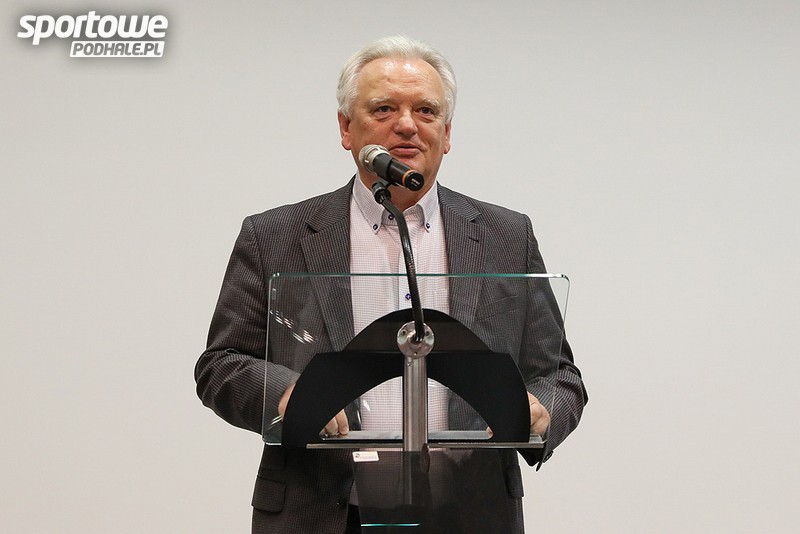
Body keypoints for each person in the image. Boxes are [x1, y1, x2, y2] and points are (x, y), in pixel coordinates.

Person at [195, 35, 587, 534]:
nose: (406, 125)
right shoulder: (274, 236)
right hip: (322, 512)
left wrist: (541, 408)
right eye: (384, 108)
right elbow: (221, 364)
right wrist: (286, 394)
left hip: (470, 513)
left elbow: (560, 375)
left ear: (447, 133)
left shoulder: (506, 236)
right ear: (346, 128)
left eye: (426, 110)